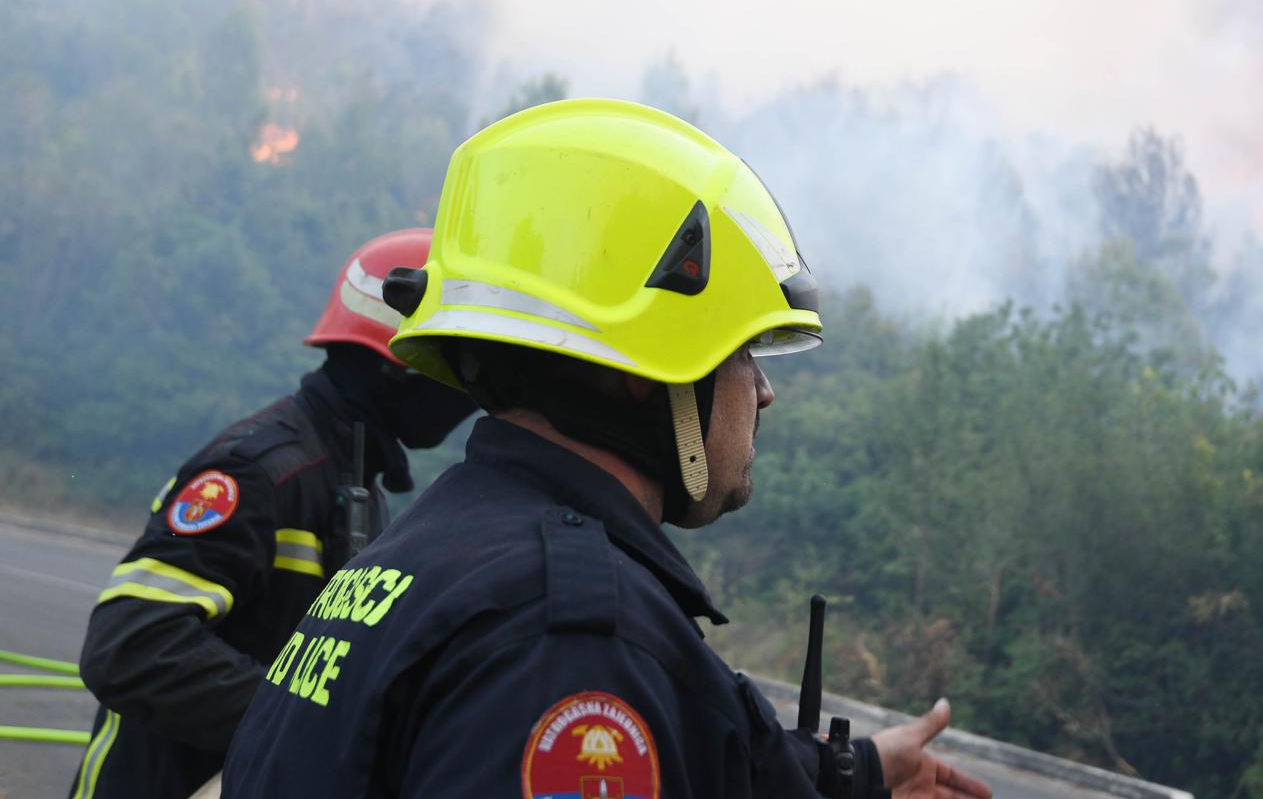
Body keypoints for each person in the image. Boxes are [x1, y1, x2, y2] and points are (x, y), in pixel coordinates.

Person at [222, 99, 992, 798]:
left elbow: (715, 750)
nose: (763, 392)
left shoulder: (422, 558)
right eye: (743, 351)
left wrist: (852, 775)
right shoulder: (571, 640)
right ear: (644, 373)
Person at [68, 229, 477, 799]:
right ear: (397, 363)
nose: (467, 393)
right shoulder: (256, 473)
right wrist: (304, 722)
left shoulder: (352, 484)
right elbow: (130, 646)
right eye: (452, 367)